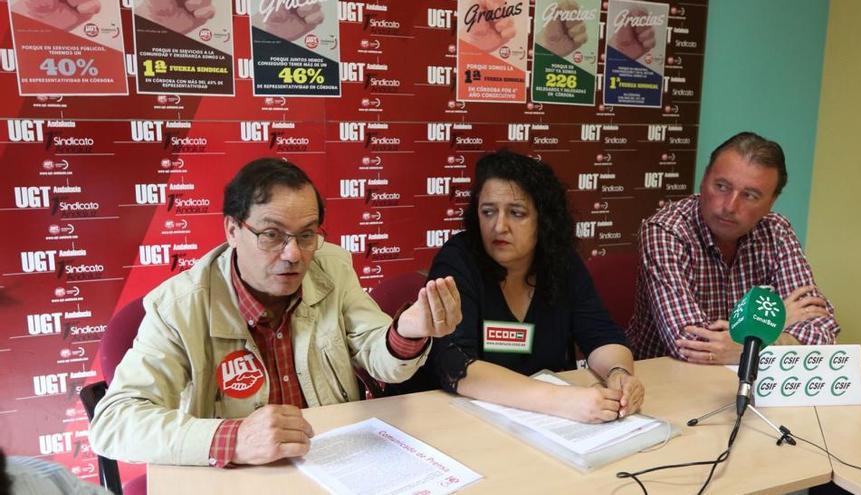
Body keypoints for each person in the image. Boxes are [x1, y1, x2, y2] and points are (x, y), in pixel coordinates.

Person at [89, 158, 462, 467]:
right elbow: (113, 423)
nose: (294, 254)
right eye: (271, 235)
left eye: (306, 234)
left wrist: (407, 332)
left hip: (333, 462)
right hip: (239, 478)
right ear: (233, 230)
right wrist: (231, 439)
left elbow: (374, 351)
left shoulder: (332, 267)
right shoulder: (179, 306)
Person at [424, 150, 644, 423]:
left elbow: (600, 333)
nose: (499, 226)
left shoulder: (561, 261)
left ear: (544, 220)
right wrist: (559, 400)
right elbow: (454, 364)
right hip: (463, 419)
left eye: (516, 213)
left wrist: (619, 374)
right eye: (488, 212)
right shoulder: (457, 261)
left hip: (545, 421)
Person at [628, 132, 840, 364]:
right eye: (721, 186)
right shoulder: (666, 230)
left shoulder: (776, 230)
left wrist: (751, 345)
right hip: (668, 377)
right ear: (703, 180)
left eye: (749, 195)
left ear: (771, 202)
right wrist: (778, 321)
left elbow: (822, 330)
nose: (730, 206)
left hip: (755, 376)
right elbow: (691, 344)